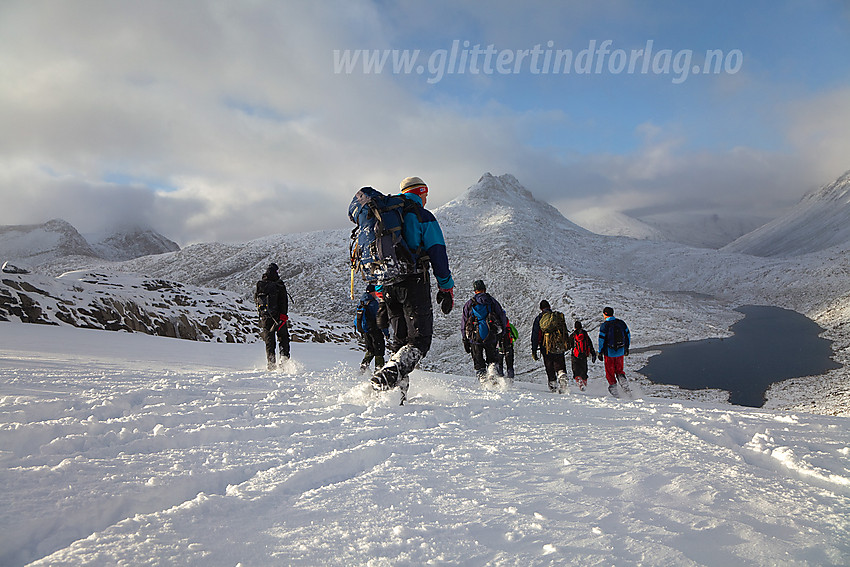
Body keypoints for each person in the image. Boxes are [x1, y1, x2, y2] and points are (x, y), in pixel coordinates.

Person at [371, 176, 455, 403]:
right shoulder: (422, 216)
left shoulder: (386, 218)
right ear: (420, 192)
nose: (427, 199)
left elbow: (381, 258)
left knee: (399, 342)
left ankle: (394, 397)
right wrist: (446, 288)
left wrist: (380, 297)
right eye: (426, 195)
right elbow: (438, 253)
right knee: (419, 340)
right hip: (414, 283)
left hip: (388, 286)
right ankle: (389, 376)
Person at [461, 280, 508, 383]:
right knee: (492, 358)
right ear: (485, 289)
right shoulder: (492, 301)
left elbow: (464, 322)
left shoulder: (470, 303)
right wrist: (502, 333)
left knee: (478, 361)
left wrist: (465, 339)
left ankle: (483, 380)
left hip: (475, 336)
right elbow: (502, 316)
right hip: (491, 335)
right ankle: (492, 371)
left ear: (475, 291)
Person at [254, 263, 290, 370]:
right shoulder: (279, 284)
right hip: (278, 316)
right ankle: (284, 361)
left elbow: (256, 298)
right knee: (283, 338)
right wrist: (283, 315)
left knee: (269, 341)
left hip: (265, 317)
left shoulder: (261, 284)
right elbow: (283, 301)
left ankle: (271, 364)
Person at [531, 300, 570, 393]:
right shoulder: (557, 317)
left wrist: (534, 349)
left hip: (546, 346)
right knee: (560, 362)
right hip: (559, 344)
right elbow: (564, 330)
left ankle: (553, 384)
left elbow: (535, 335)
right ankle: (562, 374)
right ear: (549, 306)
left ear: (541, 308)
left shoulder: (540, 318)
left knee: (549, 365)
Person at [598, 306, 632, 397]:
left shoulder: (604, 325)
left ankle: (614, 391)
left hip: (609, 353)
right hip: (620, 351)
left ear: (605, 314)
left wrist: (600, 352)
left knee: (610, 372)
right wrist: (626, 348)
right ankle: (625, 385)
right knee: (619, 370)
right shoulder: (621, 323)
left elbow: (601, 340)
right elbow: (628, 335)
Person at [355, 284, 389, 374]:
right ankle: (379, 370)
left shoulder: (361, 302)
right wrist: (386, 332)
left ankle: (363, 367)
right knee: (379, 350)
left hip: (365, 330)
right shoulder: (373, 303)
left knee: (370, 349)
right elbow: (380, 318)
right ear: (373, 292)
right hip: (375, 330)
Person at [568, 320, 597, 391]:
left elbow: (568, 345)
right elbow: (590, 345)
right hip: (584, 355)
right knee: (584, 371)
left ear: (575, 327)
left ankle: (580, 384)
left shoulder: (573, 335)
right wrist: (593, 354)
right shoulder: (585, 334)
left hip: (575, 355)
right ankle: (585, 383)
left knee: (576, 370)